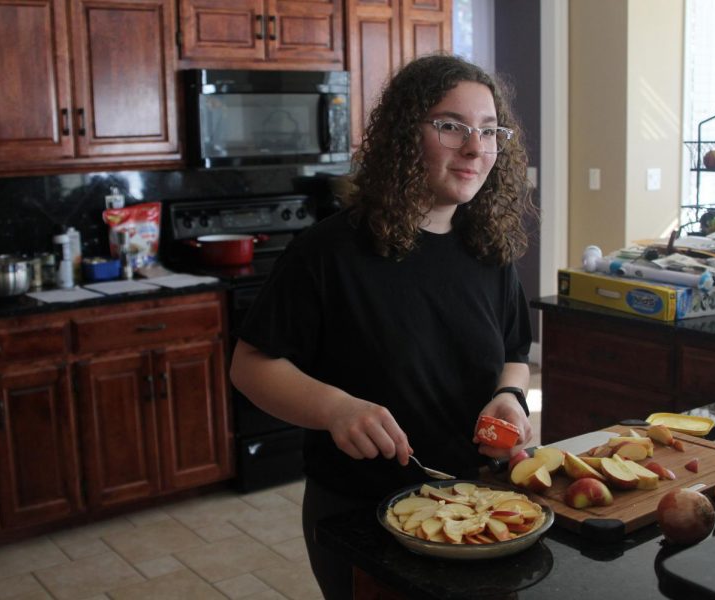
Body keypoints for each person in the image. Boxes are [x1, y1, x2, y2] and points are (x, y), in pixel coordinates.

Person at [230, 53, 538, 599]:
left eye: (489, 131)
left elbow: (516, 347)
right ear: (405, 133)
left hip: (476, 502)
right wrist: (335, 408)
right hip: (361, 509)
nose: (475, 147)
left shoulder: (487, 249)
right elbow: (251, 366)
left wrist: (509, 396)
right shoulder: (329, 251)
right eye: (451, 126)